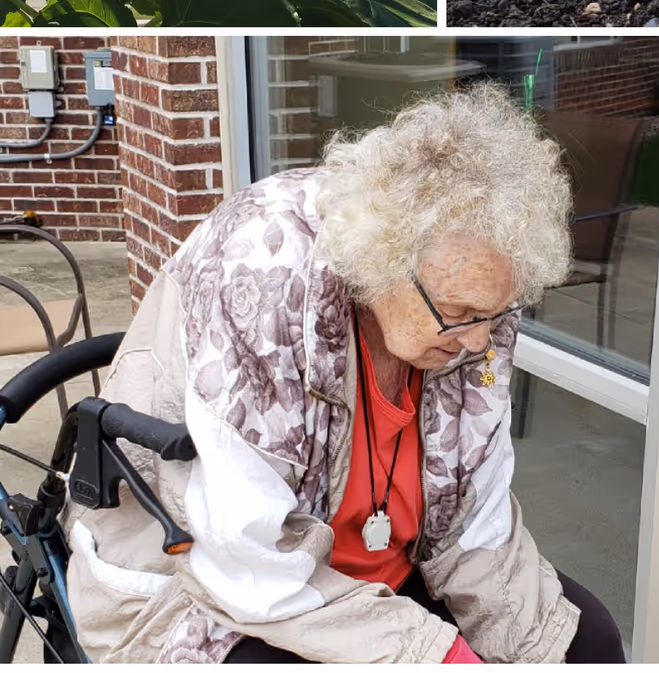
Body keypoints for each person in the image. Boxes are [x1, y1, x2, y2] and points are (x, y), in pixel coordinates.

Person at [65, 86, 626, 664]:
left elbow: (474, 521)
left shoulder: (479, 295)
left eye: (497, 314)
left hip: (393, 573)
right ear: (379, 263)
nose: (480, 341)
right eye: (458, 315)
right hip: (219, 590)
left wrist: (529, 647)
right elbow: (246, 564)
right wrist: (438, 655)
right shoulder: (262, 281)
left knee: (586, 643)